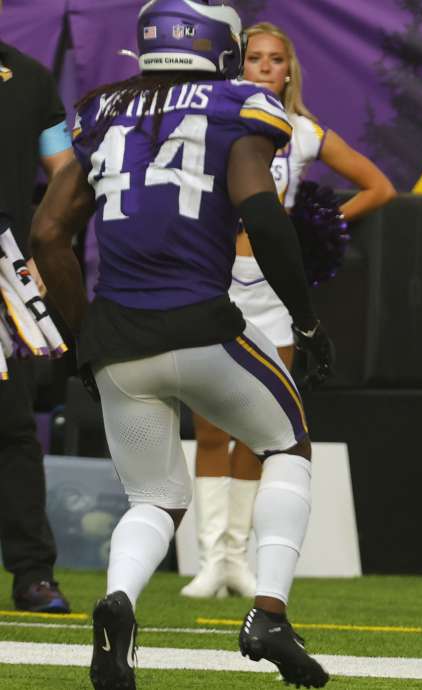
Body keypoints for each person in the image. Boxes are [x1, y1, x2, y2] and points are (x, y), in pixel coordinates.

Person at [29, 1, 333, 687]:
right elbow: (261, 209)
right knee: (288, 445)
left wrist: (85, 339)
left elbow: (49, 233)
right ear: (222, 47)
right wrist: (306, 321)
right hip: (200, 324)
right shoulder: (240, 105)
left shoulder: (101, 109)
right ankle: (269, 614)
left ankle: (120, 603)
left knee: (155, 498)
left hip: (117, 336)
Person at [181, 20, 395, 600]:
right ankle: (211, 559)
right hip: (217, 282)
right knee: (208, 428)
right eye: (255, 58)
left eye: (277, 60)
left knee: (259, 425)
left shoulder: (301, 132)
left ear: (289, 70)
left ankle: (241, 559)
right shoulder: (215, 126)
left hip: (274, 292)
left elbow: (379, 186)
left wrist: (316, 227)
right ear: (238, 64)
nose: (267, 68)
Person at [0, 22, 74, 614]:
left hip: (3, 272)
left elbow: (64, 172)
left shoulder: (28, 76)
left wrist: (43, 245)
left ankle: (32, 574)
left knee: (12, 426)